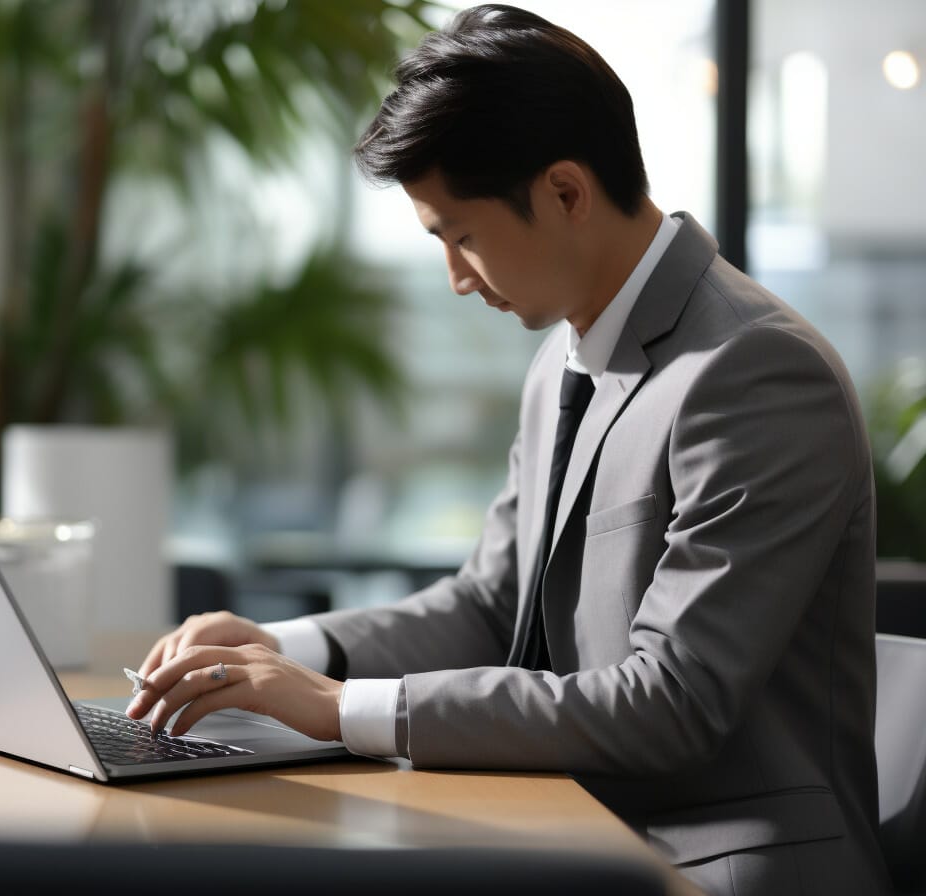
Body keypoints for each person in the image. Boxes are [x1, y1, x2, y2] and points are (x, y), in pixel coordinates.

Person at [125, 5, 891, 894]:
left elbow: (673, 702)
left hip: (714, 864)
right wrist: (287, 652)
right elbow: (495, 609)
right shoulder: (564, 358)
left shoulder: (753, 370)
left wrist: (339, 710)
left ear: (566, 192)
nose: (454, 277)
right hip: (570, 833)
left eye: (463, 236)